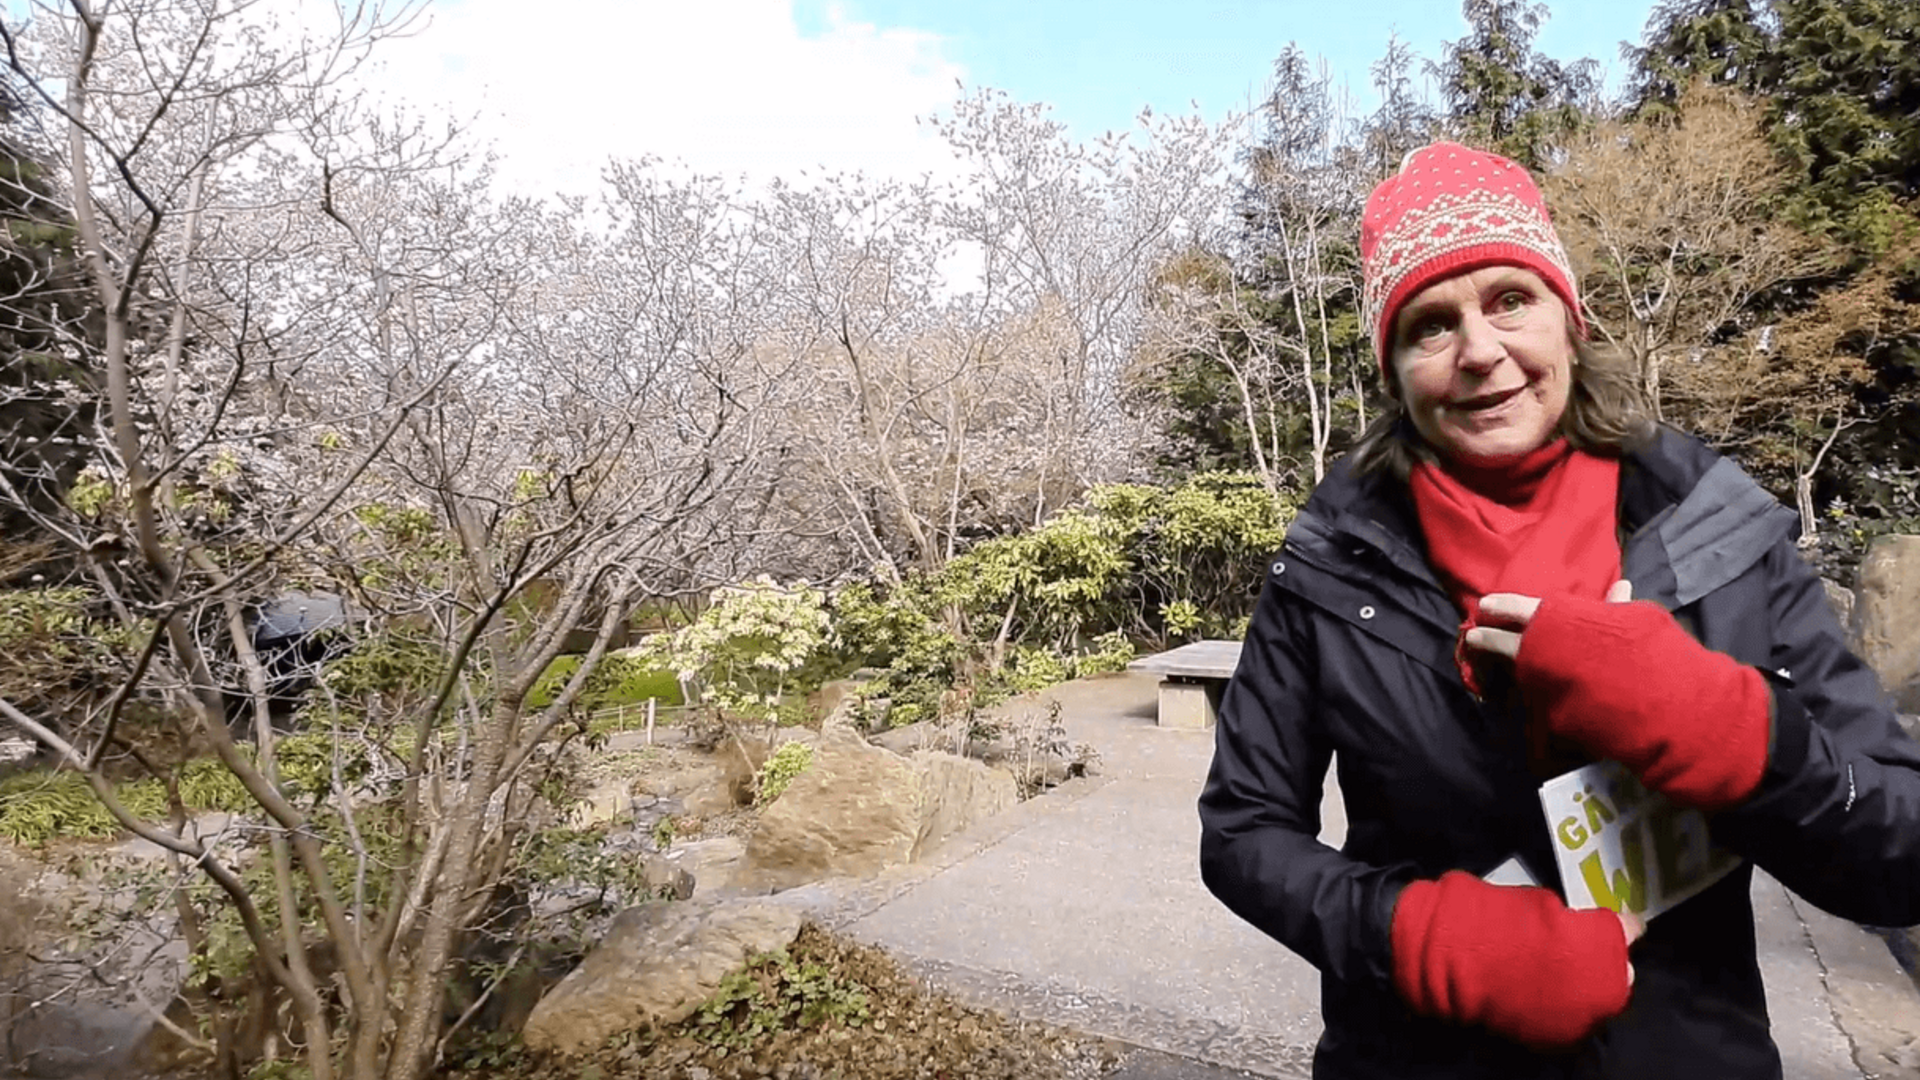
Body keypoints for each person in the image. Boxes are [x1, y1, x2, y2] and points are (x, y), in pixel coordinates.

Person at [1196, 140, 1920, 1079]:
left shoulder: (1718, 531)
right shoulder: (1331, 561)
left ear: (1569, 320)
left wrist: (1735, 734)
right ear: (1396, 370)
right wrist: (1428, 939)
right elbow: (1244, 832)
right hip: (1411, 1056)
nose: (1480, 351)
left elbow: (1897, 849)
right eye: (1430, 325)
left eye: (1510, 299)